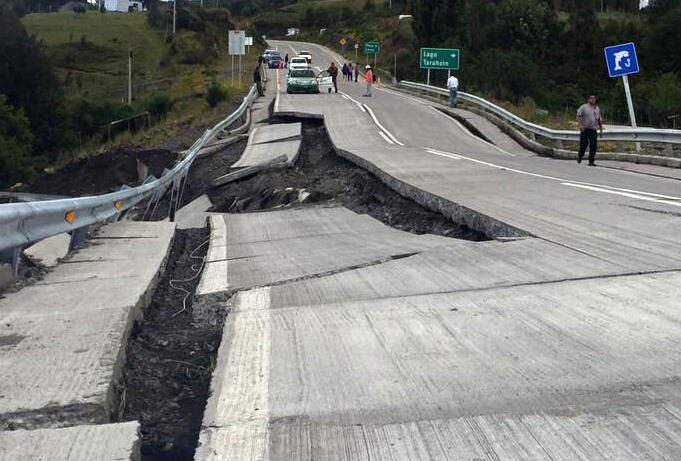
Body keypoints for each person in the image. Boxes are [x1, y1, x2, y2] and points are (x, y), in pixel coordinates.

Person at [576, 95, 603, 166]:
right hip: (585, 129)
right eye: (591, 98)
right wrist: (580, 125)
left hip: (593, 129)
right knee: (584, 144)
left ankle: (591, 161)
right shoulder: (584, 107)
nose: (593, 100)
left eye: (594, 99)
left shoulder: (597, 108)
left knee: (593, 145)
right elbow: (578, 116)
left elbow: (599, 119)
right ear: (588, 99)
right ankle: (580, 155)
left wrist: (601, 129)